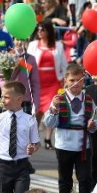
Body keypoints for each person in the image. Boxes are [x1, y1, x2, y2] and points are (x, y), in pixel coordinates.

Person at [43, 64, 97, 193]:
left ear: (83, 81)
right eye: (72, 80)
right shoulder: (58, 99)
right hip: (64, 144)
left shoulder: (88, 100)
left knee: (85, 178)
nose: (75, 84)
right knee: (65, 180)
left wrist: (93, 126)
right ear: (65, 80)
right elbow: (49, 123)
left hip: (83, 144)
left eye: (79, 80)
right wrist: (53, 109)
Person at [27, 21, 67, 149]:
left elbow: (63, 63)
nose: (40, 32)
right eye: (38, 30)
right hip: (38, 83)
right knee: (37, 111)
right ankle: (34, 137)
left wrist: (65, 78)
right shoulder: (33, 45)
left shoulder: (58, 45)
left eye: (42, 30)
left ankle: (48, 138)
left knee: (52, 109)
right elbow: (27, 62)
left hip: (54, 82)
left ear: (48, 31)